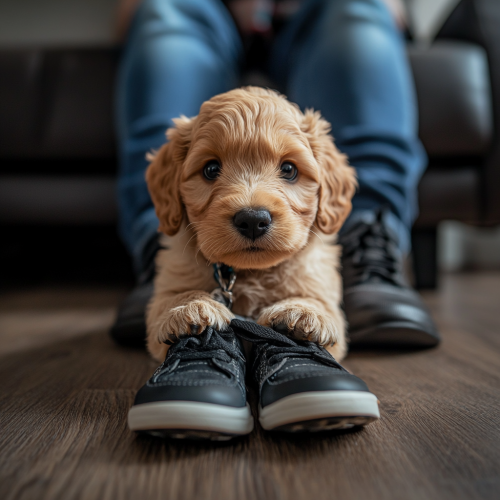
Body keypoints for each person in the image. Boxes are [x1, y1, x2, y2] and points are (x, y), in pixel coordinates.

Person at [111, 0, 440, 351]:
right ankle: (156, 239)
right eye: (211, 170)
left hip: (310, 11)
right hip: (207, 9)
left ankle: (368, 238)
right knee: (163, 9)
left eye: (288, 170)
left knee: (361, 6)